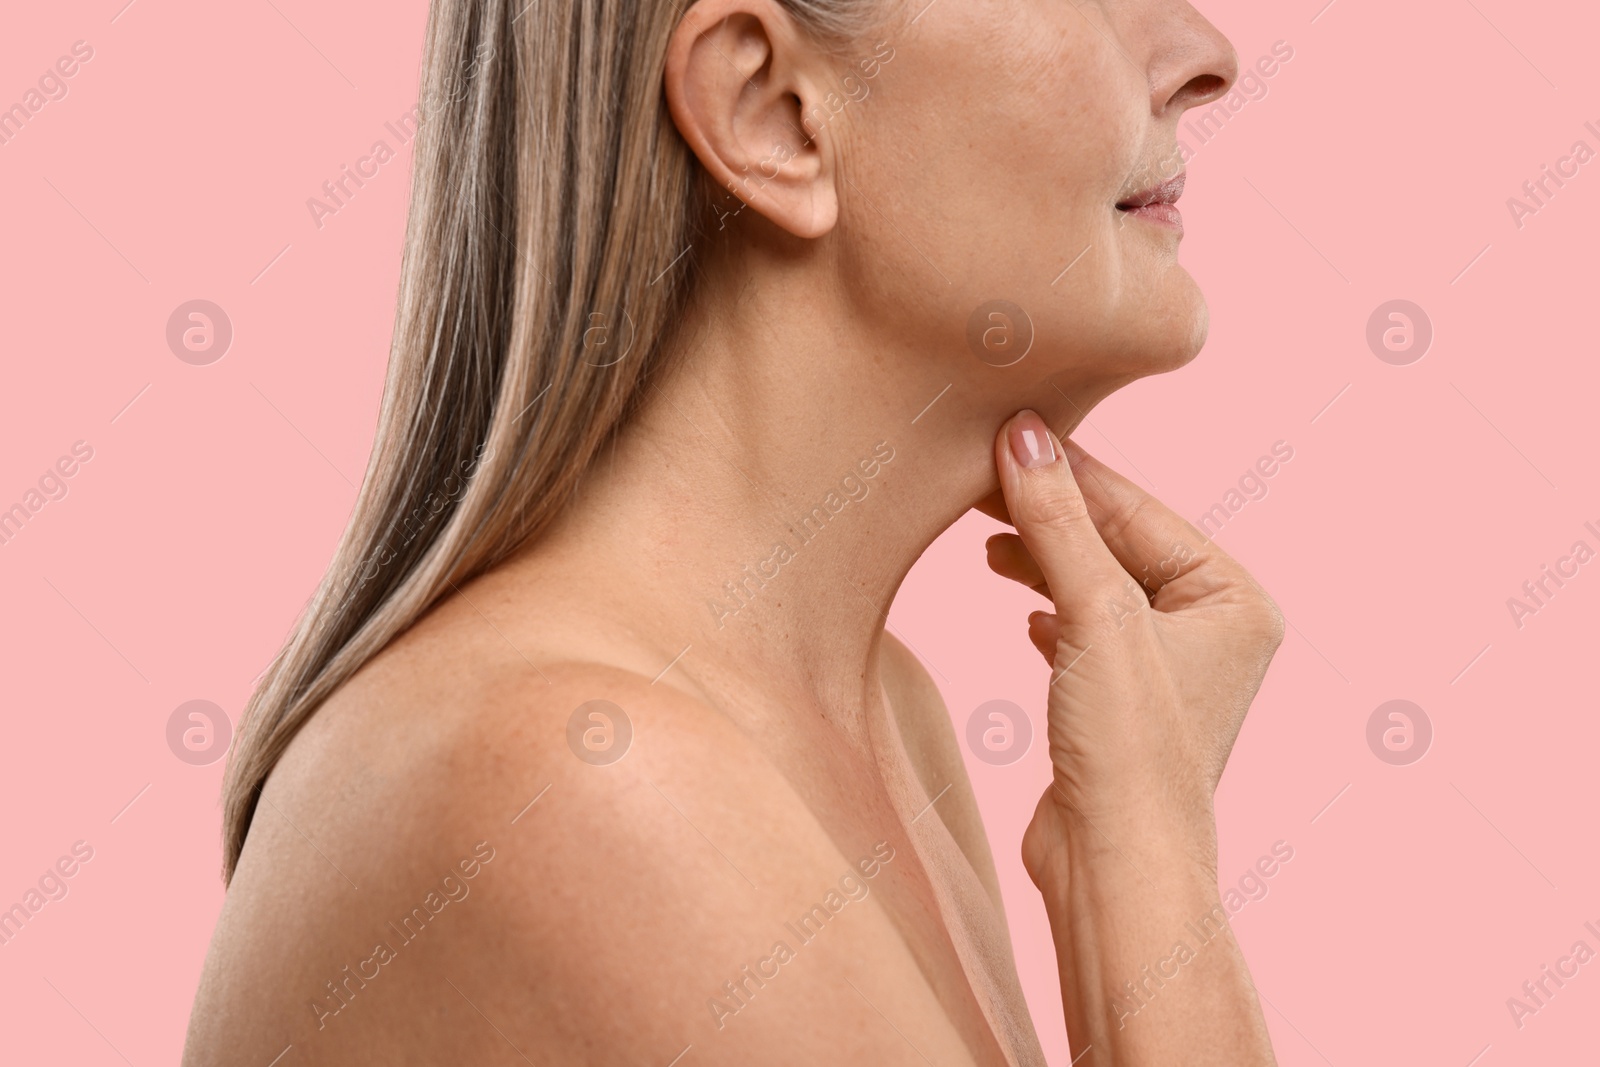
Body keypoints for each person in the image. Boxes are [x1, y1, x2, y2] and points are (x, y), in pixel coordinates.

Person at [183, 0, 1284, 1063]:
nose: (1207, 55)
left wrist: (1136, 847)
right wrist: (1152, 870)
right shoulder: (594, 776)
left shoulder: (875, 716)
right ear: (770, 110)